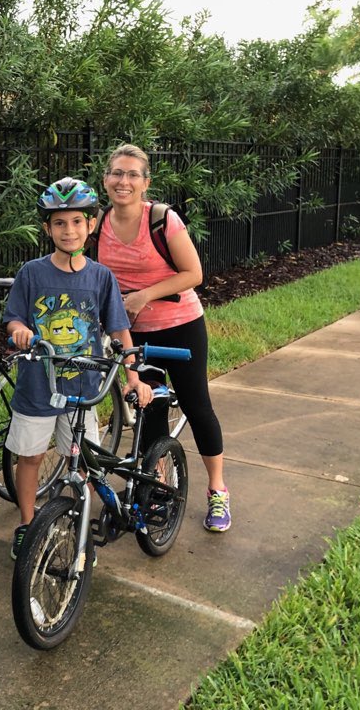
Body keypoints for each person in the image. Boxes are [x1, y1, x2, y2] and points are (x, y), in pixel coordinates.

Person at [3, 177, 151, 559]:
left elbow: (119, 329)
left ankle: (76, 517)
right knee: (30, 457)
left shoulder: (101, 277)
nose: (68, 231)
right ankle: (26, 523)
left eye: (76, 222)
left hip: (83, 391)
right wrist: (19, 331)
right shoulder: (31, 273)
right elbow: (15, 319)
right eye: (59, 223)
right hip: (37, 387)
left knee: (81, 459)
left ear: (90, 225)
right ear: (47, 228)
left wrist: (133, 376)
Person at [92, 143, 230, 532]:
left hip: (181, 325)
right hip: (133, 332)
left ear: (145, 182)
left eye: (133, 174)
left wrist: (144, 295)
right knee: (149, 406)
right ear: (106, 180)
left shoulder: (162, 220)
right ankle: (158, 487)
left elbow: (194, 274)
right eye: (117, 173)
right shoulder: (99, 224)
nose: (124, 181)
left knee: (196, 404)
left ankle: (218, 490)